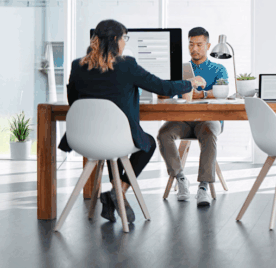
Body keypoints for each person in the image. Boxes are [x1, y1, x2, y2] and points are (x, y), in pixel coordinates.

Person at [58, 19, 206, 222]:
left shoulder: (77, 66)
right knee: (146, 143)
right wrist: (189, 83)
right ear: (116, 40)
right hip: (117, 139)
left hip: (84, 139)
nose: (125, 43)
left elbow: (73, 101)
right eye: (124, 38)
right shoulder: (126, 65)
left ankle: (115, 193)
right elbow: (162, 87)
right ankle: (118, 193)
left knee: (110, 143)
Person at [156, 27, 229, 207]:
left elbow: (223, 92)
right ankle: (180, 179)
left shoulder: (219, 69)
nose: (194, 48)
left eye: (199, 44)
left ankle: (203, 187)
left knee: (209, 132)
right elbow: (165, 96)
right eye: (190, 44)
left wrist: (202, 94)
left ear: (208, 45)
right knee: (163, 134)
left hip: (208, 120)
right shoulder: (179, 69)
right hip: (183, 120)